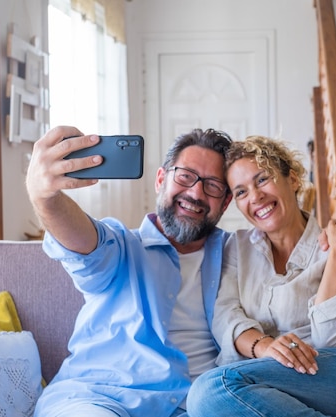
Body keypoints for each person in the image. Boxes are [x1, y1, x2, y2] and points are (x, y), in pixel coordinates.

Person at [25, 125, 233, 417]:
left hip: (192, 406)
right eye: (185, 176)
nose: (195, 192)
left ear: (225, 201)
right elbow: (83, 243)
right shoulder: (119, 246)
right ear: (161, 180)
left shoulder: (237, 256)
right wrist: (45, 198)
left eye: (212, 185)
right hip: (98, 399)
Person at [186, 135, 336, 417]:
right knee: (208, 398)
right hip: (275, 385)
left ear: (293, 180)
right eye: (241, 192)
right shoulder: (237, 246)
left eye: (262, 179)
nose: (255, 196)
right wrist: (265, 346)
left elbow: (333, 340)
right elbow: (225, 315)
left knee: (209, 391)